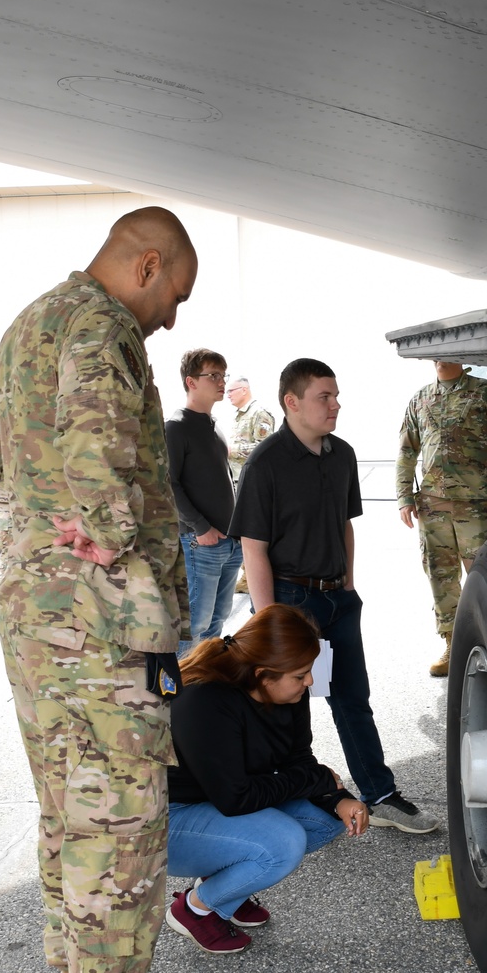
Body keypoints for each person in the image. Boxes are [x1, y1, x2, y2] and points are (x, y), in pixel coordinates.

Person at [0, 205, 231, 973]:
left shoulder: (36, 317)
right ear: (146, 265)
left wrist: (31, 501)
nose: (172, 320)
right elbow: (100, 458)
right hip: (98, 623)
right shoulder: (103, 327)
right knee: (121, 823)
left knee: (72, 811)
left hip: (37, 612)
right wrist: (100, 532)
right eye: (174, 295)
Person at [230, 357, 440, 835]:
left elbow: (343, 525)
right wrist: (271, 622)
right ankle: (282, 796)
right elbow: (253, 548)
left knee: (351, 698)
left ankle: (380, 794)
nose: (335, 405)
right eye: (324, 396)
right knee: (288, 703)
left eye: (336, 395)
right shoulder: (265, 464)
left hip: (336, 601)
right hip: (290, 601)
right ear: (292, 402)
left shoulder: (342, 455)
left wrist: (347, 586)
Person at [164, 604, 368, 953]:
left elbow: (299, 761)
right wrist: (315, 779)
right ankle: (195, 909)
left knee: (329, 819)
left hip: (216, 804)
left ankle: (225, 886)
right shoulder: (204, 701)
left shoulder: (286, 691)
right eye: (301, 674)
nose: (310, 682)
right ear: (262, 674)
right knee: (283, 842)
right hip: (167, 820)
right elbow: (236, 798)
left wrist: (338, 798)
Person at [396, 360, 487, 676]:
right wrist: (404, 497)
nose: (440, 359)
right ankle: (453, 644)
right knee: (441, 576)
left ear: (462, 356)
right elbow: (407, 452)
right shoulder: (420, 398)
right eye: (435, 354)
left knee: (483, 576)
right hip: (432, 506)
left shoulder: (485, 392)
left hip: (475, 504)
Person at [165, 348, 242, 654]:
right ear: (191, 382)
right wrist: (200, 528)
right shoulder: (176, 426)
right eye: (213, 375)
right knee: (195, 625)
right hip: (201, 544)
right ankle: (181, 697)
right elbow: (168, 484)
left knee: (217, 623)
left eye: (223, 375)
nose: (222, 381)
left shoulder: (213, 426)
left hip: (230, 543)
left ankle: (204, 688)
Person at [226, 374, 275, 595]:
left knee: (253, 531)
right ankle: (249, 576)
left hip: (253, 483)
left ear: (244, 390)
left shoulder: (259, 413)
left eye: (231, 391)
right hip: (239, 481)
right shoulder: (240, 416)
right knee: (244, 531)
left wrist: (230, 451)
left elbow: (264, 448)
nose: (227, 395)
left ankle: (257, 577)